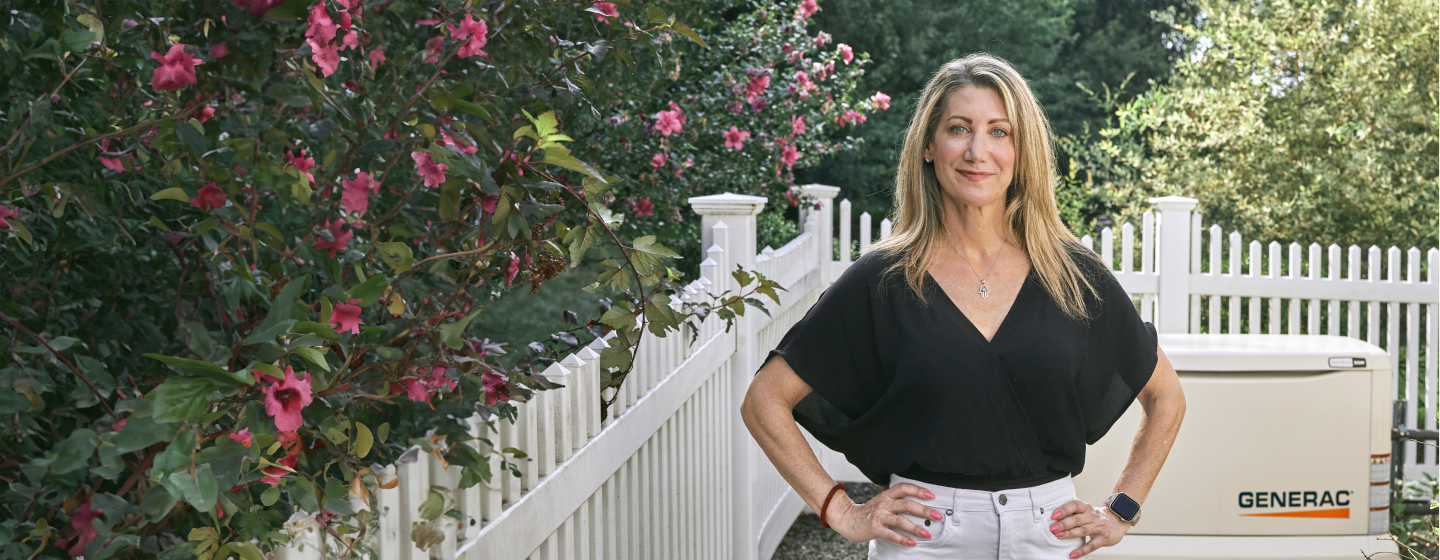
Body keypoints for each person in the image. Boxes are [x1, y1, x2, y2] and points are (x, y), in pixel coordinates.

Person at [740, 54, 1186, 559]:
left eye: (1000, 132)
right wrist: (842, 510)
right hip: (925, 537)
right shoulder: (882, 280)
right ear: (929, 146)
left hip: (1047, 536)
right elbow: (764, 400)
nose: (978, 151)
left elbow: (1166, 397)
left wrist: (1122, 507)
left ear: (1023, 151)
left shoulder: (1072, 275)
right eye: (959, 128)